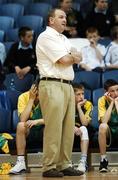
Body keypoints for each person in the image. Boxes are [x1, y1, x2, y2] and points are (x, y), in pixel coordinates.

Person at [36, 8, 83, 178]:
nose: (64, 20)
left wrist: (73, 56)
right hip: (52, 84)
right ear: (51, 20)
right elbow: (64, 60)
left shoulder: (63, 38)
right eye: (60, 17)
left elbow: (80, 56)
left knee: (68, 127)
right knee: (54, 127)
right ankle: (49, 166)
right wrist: (72, 56)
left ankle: (64, 164)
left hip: (67, 85)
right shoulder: (45, 36)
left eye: (65, 17)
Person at [9, 80, 44, 174]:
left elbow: (52, 119)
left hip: (44, 128)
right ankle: (20, 163)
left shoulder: (48, 96)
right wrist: (31, 99)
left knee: (54, 126)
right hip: (30, 129)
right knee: (20, 126)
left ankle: (53, 163)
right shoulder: (23, 97)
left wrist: (37, 121)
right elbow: (23, 119)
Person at [98, 79, 118, 172]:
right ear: (106, 93)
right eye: (112, 91)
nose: (116, 93)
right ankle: (103, 160)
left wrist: (116, 103)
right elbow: (104, 121)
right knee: (102, 127)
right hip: (109, 131)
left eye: (117, 90)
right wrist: (111, 104)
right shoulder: (102, 100)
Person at [73, 83, 93, 172]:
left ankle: (83, 161)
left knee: (83, 128)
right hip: (71, 130)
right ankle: (66, 162)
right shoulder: (66, 104)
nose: (81, 97)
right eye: (78, 94)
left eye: (83, 94)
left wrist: (79, 108)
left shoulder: (88, 104)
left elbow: (85, 123)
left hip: (85, 131)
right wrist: (72, 127)